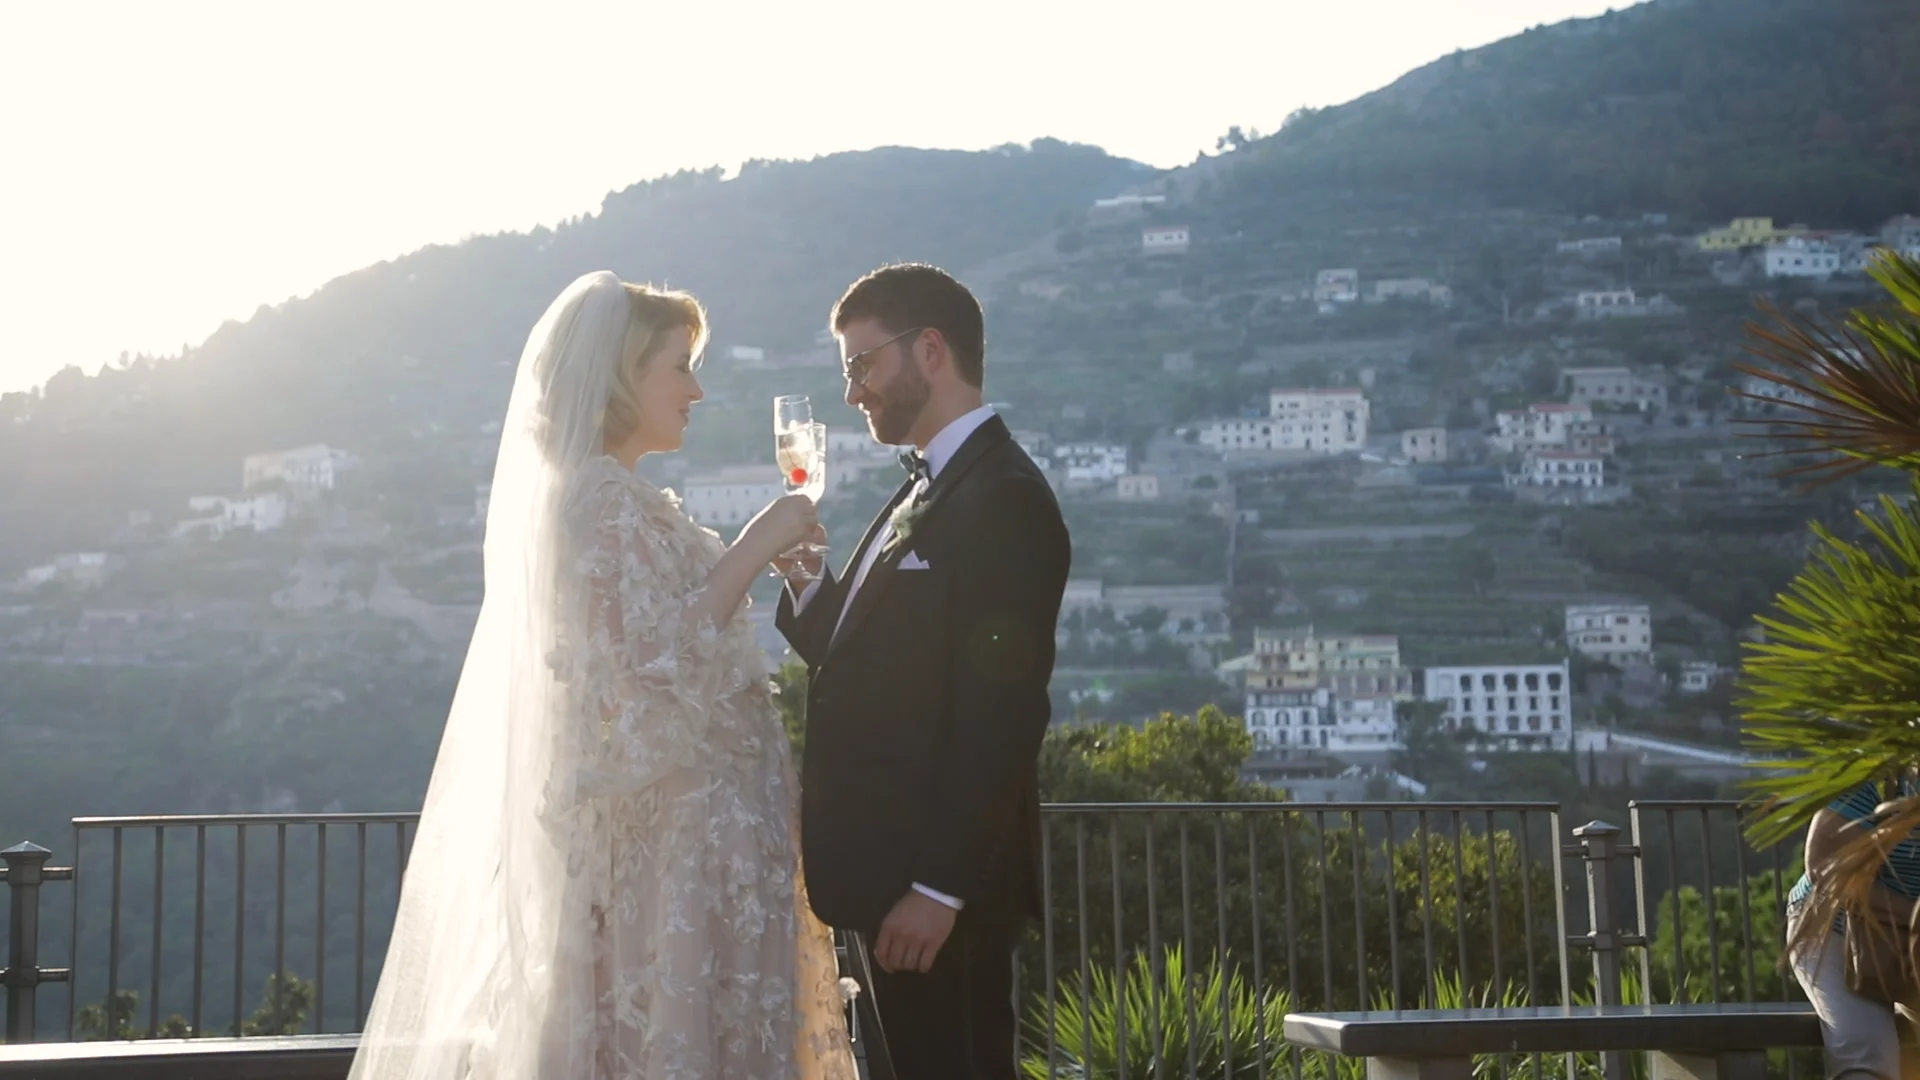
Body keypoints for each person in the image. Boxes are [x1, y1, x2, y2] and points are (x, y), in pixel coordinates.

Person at [349, 271, 855, 1080]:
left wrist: (774, 566)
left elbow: (685, 638)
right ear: (624, 378)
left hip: (712, 861)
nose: (696, 387)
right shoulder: (595, 504)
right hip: (673, 870)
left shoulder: (625, 500)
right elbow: (646, 669)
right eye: (679, 365)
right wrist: (757, 543)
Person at [776, 263, 1073, 1079]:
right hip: (885, 885)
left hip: (934, 905)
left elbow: (1003, 716)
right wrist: (807, 584)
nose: (852, 392)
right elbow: (875, 665)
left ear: (930, 349)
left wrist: (939, 891)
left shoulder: (1003, 498)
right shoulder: (931, 489)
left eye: (861, 364)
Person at [1785, 778, 1920, 1080]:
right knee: (1868, 1050)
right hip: (1835, 931)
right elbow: (1824, 867)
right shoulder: (1883, 770)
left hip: (1912, 945)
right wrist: (1913, 913)